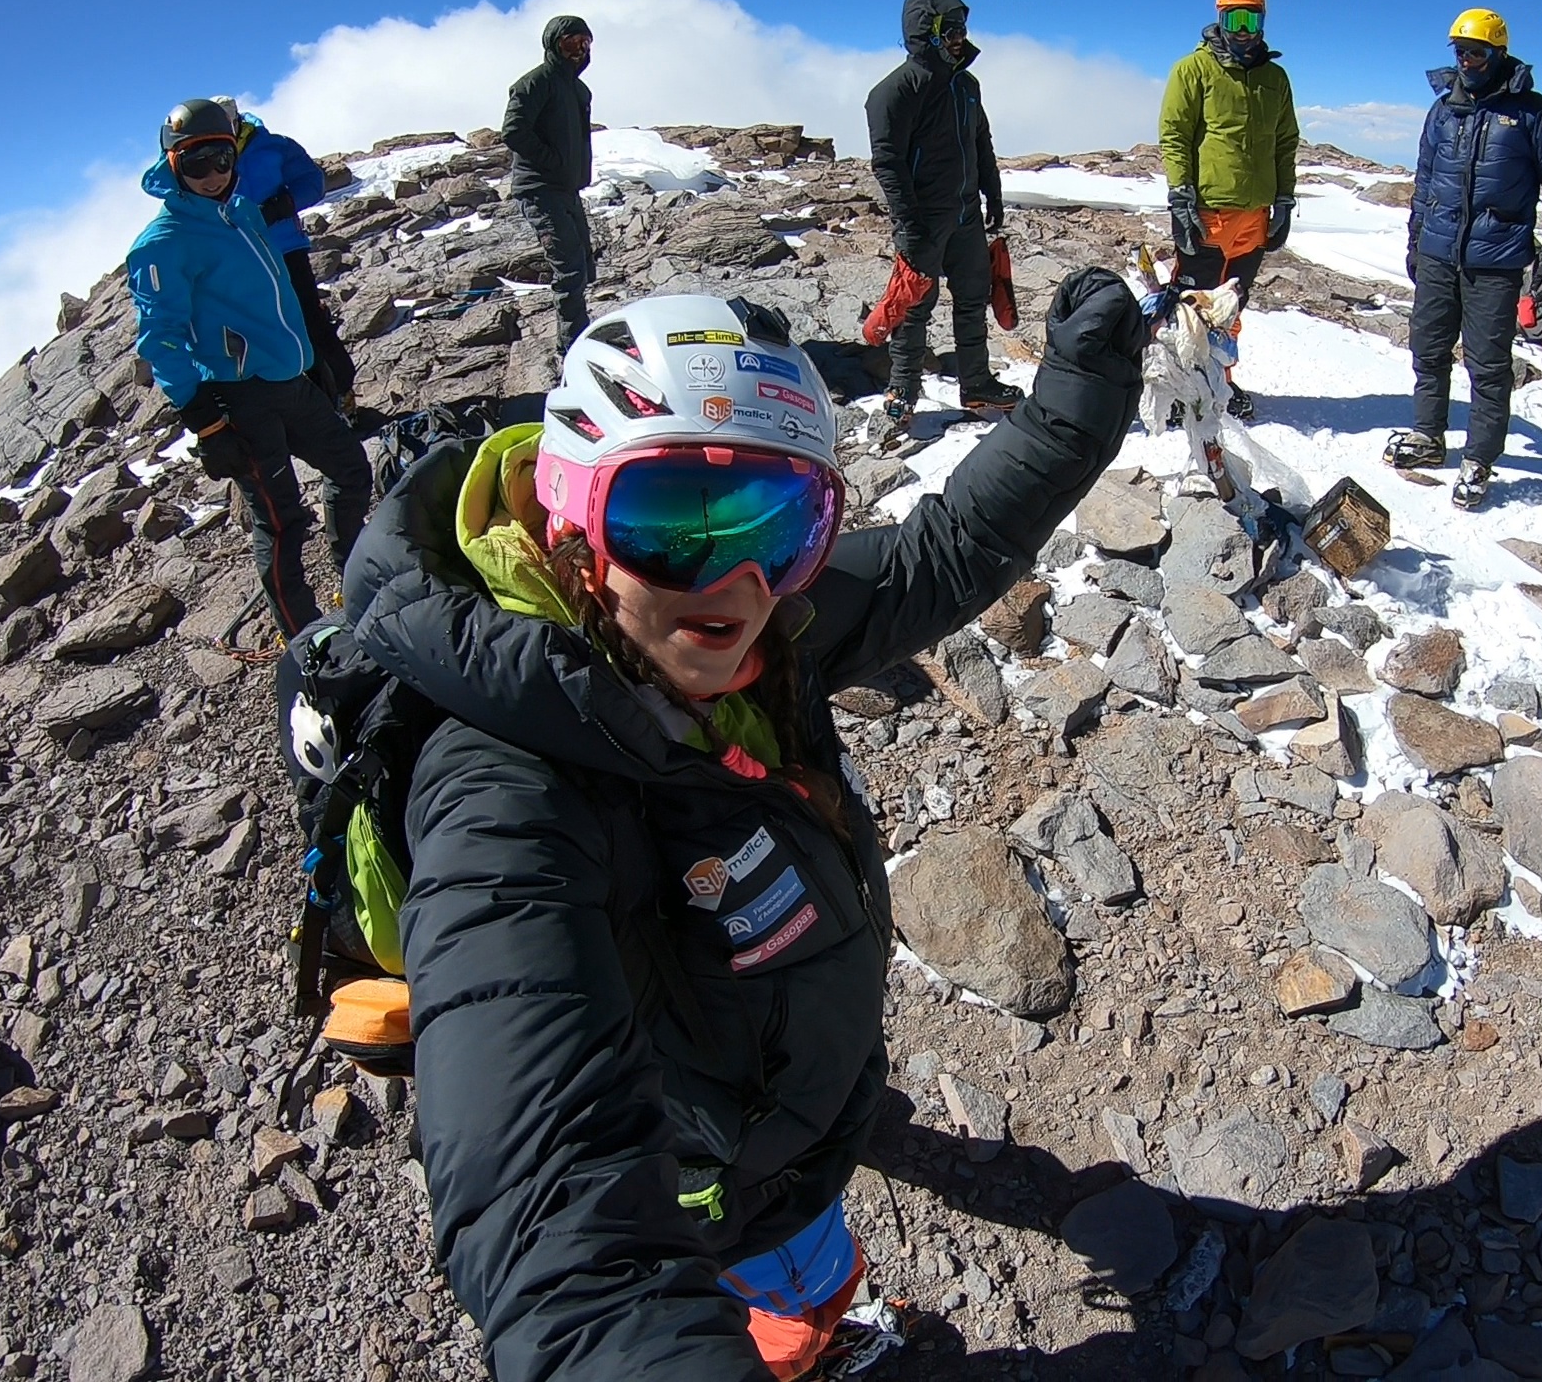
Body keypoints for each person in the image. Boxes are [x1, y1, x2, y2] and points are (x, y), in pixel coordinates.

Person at [338, 273, 1144, 1378]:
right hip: (728, 1171)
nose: (737, 582)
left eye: (783, 519)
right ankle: (806, 1340)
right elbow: (550, 1215)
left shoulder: (754, 635)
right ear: (570, 516)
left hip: (758, 1083)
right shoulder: (500, 789)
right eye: (669, 518)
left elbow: (936, 555)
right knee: (794, 1270)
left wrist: (1077, 402)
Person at [127, 99, 372, 639]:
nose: (212, 174)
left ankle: (356, 580)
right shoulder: (162, 245)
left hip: (291, 381)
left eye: (221, 159)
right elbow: (160, 340)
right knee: (281, 521)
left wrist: (311, 363)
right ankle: (305, 640)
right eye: (196, 164)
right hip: (240, 398)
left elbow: (280, 297)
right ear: (172, 165)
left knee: (352, 470)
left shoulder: (241, 211)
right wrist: (207, 425)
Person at [1389, 8, 1542, 510]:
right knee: (1428, 350)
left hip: (1495, 263)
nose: (1467, 61)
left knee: (1488, 365)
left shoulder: (1534, 113)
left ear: (1498, 54)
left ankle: (1479, 459)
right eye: (1460, 52)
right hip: (1438, 253)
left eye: (1477, 52)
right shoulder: (1442, 111)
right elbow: (1425, 183)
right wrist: (1416, 239)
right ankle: (1428, 437)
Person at [866, 0, 1025, 426]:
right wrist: (908, 222)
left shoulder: (966, 85)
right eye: (949, 28)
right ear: (927, 31)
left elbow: (980, 141)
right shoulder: (895, 91)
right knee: (915, 303)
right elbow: (888, 163)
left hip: (965, 214)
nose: (959, 36)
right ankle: (902, 389)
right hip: (924, 218)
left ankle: (976, 385)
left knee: (973, 298)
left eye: (962, 27)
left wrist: (992, 191)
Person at [1157, 0, 1300, 421]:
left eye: (1250, 20)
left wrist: (1284, 200)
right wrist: (1180, 196)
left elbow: (1285, 142)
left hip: (1255, 216)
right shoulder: (1193, 69)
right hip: (1208, 212)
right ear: (1219, 18)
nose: (1242, 30)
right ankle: (1183, 386)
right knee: (1192, 307)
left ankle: (1220, 381)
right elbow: (1175, 134)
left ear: (1262, 23)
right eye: (1233, 18)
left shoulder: (1275, 78)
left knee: (1232, 307)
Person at [210, 96, 356, 406]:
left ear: (237, 120)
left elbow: (312, 181)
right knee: (268, 333)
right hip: (240, 259)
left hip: (284, 249)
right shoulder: (204, 155)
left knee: (308, 323)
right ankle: (307, 406)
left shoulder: (273, 146)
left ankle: (340, 395)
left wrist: (284, 204)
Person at [504, 15, 597, 354]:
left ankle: (579, 335)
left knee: (584, 265)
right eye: (571, 44)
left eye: (585, 44)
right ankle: (571, 350)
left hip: (567, 189)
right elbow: (513, 131)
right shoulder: (535, 82)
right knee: (569, 267)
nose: (578, 51)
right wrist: (553, 163)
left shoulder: (578, 89)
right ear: (554, 45)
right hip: (540, 189)